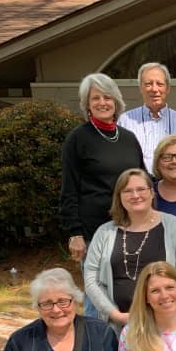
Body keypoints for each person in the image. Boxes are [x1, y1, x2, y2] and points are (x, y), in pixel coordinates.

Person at [59, 73, 144, 312]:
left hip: (130, 228)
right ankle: (95, 347)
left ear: (116, 101)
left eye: (107, 97)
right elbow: (69, 188)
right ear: (87, 104)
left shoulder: (129, 139)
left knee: (129, 290)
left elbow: (142, 180)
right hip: (93, 232)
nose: (102, 103)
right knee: (98, 295)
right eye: (95, 98)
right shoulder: (78, 139)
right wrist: (75, 233)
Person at [84, 168, 176, 329]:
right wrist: (114, 314)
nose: (135, 195)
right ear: (119, 197)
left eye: (141, 189)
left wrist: (160, 313)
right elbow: (91, 278)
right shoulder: (104, 232)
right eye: (128, 191)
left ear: (152, 192)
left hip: (169, 323)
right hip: (120, 325)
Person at [119, 62, 176, 175]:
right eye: (148, 84)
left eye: (159, 84)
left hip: (175, 190)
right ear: (140, 88)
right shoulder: (125, 121)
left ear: (167, 88)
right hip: (139, 190)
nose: (154, 89)